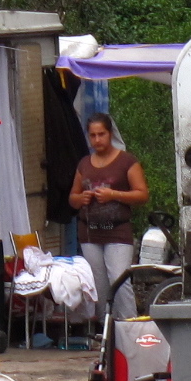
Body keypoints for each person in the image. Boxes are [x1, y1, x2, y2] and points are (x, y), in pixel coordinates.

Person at [69, 114, 151, 319]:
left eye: (101, 134)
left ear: (110, 134)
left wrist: (113, 194)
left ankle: (129, 327)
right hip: (89, 233)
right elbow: (72, 198)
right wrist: (82, 199)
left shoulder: (127, 161)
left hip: (117, 231)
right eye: (93, 135)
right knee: (98, 282)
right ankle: (105, 329)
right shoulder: (84, 164)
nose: (97, 140)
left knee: (119, 279)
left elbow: (142, 194)